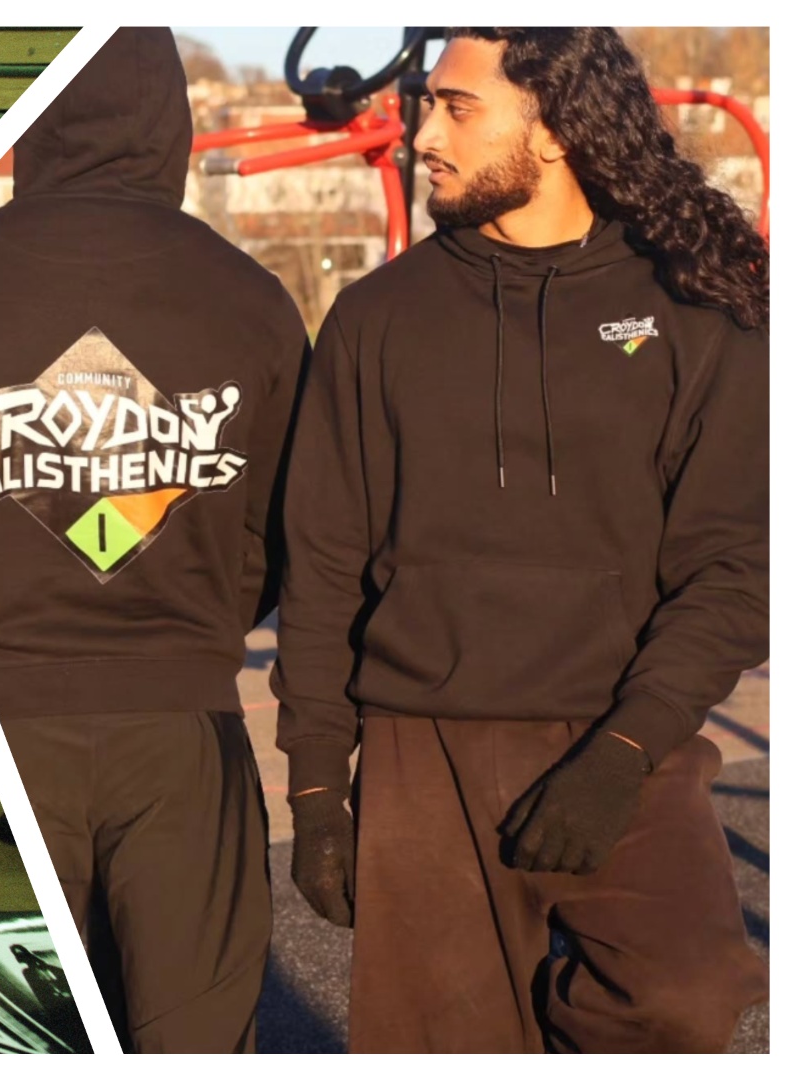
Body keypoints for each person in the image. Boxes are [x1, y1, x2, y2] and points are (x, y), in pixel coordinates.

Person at [272, 27, 769, 1051]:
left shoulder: (692, 309)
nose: (422, 135)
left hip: (625, 732)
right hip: (423, 748)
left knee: (687, 997)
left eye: (457, 108)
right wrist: (319, 788)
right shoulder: (375, 319)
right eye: (427, 106)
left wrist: (626, 751)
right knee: (445, 1050)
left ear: (553, 129)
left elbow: (735, 564)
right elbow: (320, 566)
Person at [0, 29, 307, 1052]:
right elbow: (287, 537)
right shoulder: (253, 301)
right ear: (172, 124)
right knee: (192, 1035)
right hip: (184, 732)